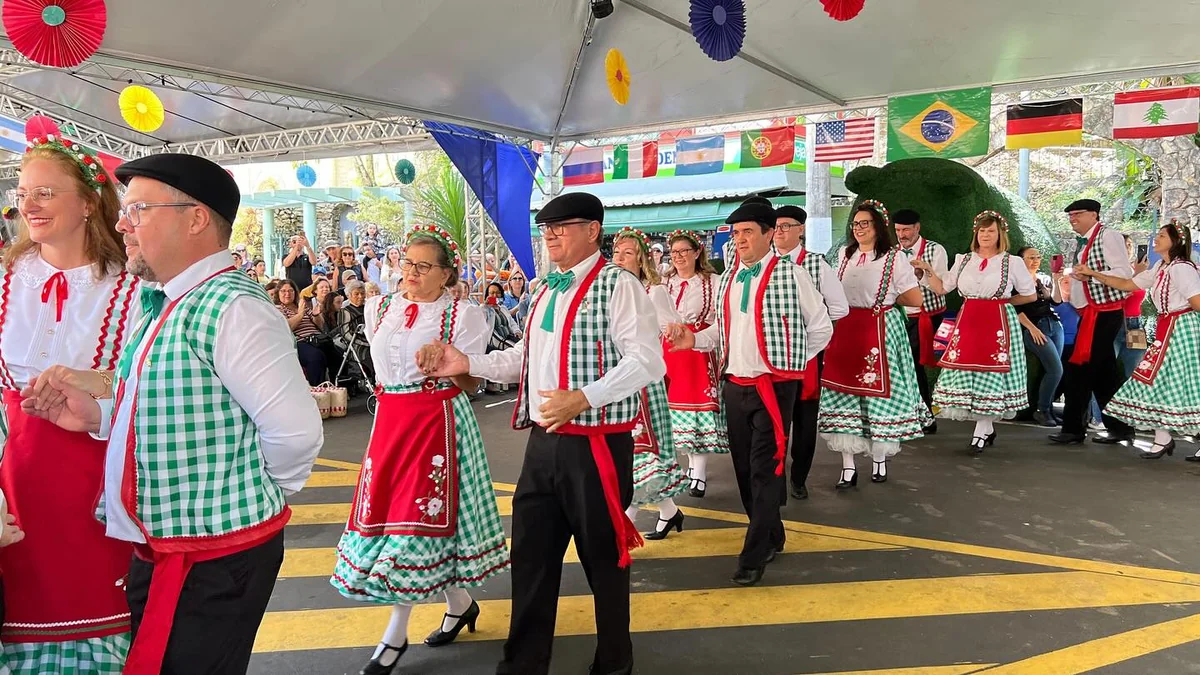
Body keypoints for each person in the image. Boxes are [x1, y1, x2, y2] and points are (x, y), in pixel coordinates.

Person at [19, 153, 324, 674]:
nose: (122, 224)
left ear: (196, 219)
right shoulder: (170, 300)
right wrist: (98, 417)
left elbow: (295, 435)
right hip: (172, 549)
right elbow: (171, 405)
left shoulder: (234, 308)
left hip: (213, 554)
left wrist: (246, 496)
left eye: (138, 210)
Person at [422, 192, 662, 675]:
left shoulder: (619, 284)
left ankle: (614, 662)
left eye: (561, 226)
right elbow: (524, 358)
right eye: (546, 228)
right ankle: (524, 663)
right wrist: (467, 363)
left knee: (604, 561)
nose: (550, 235)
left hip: (596, 445)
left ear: (592, 230)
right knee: (531, 557)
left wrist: (585, 397)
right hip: (543, 444)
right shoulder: (546, 289)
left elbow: (647, 361)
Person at [331, 225, 509, 674]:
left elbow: (471, 383)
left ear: (446, 275)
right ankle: (461, 604)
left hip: (436, 422)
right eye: (407, 262)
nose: (410, 272)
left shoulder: (464, 315)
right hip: (390, 422)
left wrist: (449, 358)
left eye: (423, 266)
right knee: (400, 519)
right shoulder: (378, 306)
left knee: (414, 525)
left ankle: (395, 635)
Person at [0, 134, 139, 674]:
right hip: (12, 481)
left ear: (87, 202)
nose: (28, 206)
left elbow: (145, 383)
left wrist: (91, 381)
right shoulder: (7, 280)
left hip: (95, 482)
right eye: (23, 193)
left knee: (95, 612)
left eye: (45, 193)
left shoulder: (128, 288)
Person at [667, 199, 832, 586]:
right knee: (743, 470)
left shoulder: (793, 275)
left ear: (770, 234)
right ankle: (772, 533)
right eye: (736, 233)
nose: (739, 240)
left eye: (747, 232)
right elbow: (720, 332)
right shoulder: (728, 278)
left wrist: (789, 363)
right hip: (734, 385)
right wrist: (692, 339)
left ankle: (753, 554)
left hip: (773, 387)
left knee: (765, 469)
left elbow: (821, 327)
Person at [819, 201, 929, 486]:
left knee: (877, 397)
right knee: (844, 397)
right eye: (855, 224)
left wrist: (887, 298)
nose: (858, 229)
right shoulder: (844, 255)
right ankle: (848, 466)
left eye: (864, 223)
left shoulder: (894, 258)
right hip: (846, 329)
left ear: (878, 227)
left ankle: (879, 459)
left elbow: (915, 298)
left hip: (879, 329)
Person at [1075, 221, 1200, 460]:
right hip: (1168, 329)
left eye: (1162, 235)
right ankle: (1162, 438)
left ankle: (1163, 439)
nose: (1157, 238)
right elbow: (1126, 284)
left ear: (1175, 242)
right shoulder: (1161, 267)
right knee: (1158, 382)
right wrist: (1093, 274)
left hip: (1181, 330)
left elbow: (1196, 302)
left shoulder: (1181, 268)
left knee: (1183, 383)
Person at [917, 212, 1036, 452]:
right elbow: (942, 287)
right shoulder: (964, 260)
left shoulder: (1012, 262)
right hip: (969, 322)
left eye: (991, 231)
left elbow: (1030, 295)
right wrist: (927, 271)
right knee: (971, 374)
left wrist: (1004, 303)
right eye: (982, 231)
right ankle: (987, 428)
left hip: (998, 323)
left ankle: (980, 433)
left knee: (990, 375)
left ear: (1000, 234)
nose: (985, 235)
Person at [611, 227, 688, 540]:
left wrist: (671, 329)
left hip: (644, 379)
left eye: (628, 253)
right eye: (617, 252)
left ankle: (623, 526)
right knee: (633, 452)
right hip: (619, 380)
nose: (620, 258)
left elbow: (673, 323)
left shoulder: (652, 291)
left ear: (641, 259)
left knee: (641, 450)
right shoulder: (612, 289)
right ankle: (669, 512)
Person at [772, 205, 849, 499]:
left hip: (807, 354)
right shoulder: (765, 263)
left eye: (786, 226)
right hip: (772, 354)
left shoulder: (816, 264)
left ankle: (799, 477)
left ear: (801, 229)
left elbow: (839, 308)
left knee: (804, 420)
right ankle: (775, 476)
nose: (779, 232)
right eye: (776, 227)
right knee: (774, 420)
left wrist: (813, 332)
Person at [1048, 199, 1136, 445]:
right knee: (1104, 374)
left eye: (1078, 214)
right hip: (1091, 313)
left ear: (1094, 215)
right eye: (1070, 215)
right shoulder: (1085, 241)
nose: (1072, 218)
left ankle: (1073, 428)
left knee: (1080, 368)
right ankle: (1120, 427)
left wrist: (1091, 275)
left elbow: (1124, 273)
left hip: (1105, 312)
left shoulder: (1109, 236)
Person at [662, 230, 729, 497]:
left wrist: (700, 337)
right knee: (676, 412)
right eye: (674, 252)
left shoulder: (713, 281)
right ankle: (691, 466)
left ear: (697, 252)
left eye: (684, 251)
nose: (678, 257)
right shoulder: (664, 282)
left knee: (698, 411)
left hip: (698, 350)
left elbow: (721, 319)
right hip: (669, 350)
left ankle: (698, 472)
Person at [894, 209, 948, 434]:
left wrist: (922, 275)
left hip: (930, 317)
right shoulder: (893, 252)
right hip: (902, 316)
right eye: (898, 230)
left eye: (906, 230)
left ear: (917, 228)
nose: (901, 235)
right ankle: (912, 416)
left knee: (919, 366)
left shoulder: (935, 250)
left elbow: (943, 286)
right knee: (904, 367)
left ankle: (926, 417)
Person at [1015, 246, 1065, 426]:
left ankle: (1048, 409)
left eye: (1037, 257)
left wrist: (1056, 280)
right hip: (1035, 327)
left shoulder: (1043, 279)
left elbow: (1057, 301)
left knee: (1052, 369)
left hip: (1054, 325)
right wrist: (1032, 329)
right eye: (1031, 257)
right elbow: (1015, 309)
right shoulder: (1016, 281)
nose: (1035, 260)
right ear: (1021, 260)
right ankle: (1041, 410)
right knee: (1056, 370)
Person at [277, 278, 329, 386]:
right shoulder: (279, 309)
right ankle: (317, 389)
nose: (287, 294)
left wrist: (316, 315)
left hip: (317, 338)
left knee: (339, 355)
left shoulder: (301, 306)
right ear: (278, 293)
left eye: (290, 291)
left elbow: (320, 325)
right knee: (316, 357)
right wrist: (300, 314)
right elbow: (287, 327)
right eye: (283, 291)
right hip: (300, 342)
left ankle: (339, 387)